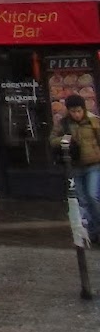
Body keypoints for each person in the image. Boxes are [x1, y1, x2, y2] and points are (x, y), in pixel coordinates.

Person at [58, 93, 100, 238]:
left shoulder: (93, 122)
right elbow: (52, 139)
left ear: (83, 109)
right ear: (68, 111)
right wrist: (65, 140)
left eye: (79, 111)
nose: (76, 114)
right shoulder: (64, 124)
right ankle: (93, 231)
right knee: (82, 199)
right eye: (73, 111)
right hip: (75, 166)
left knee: (93, 195)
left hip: (93, 164)